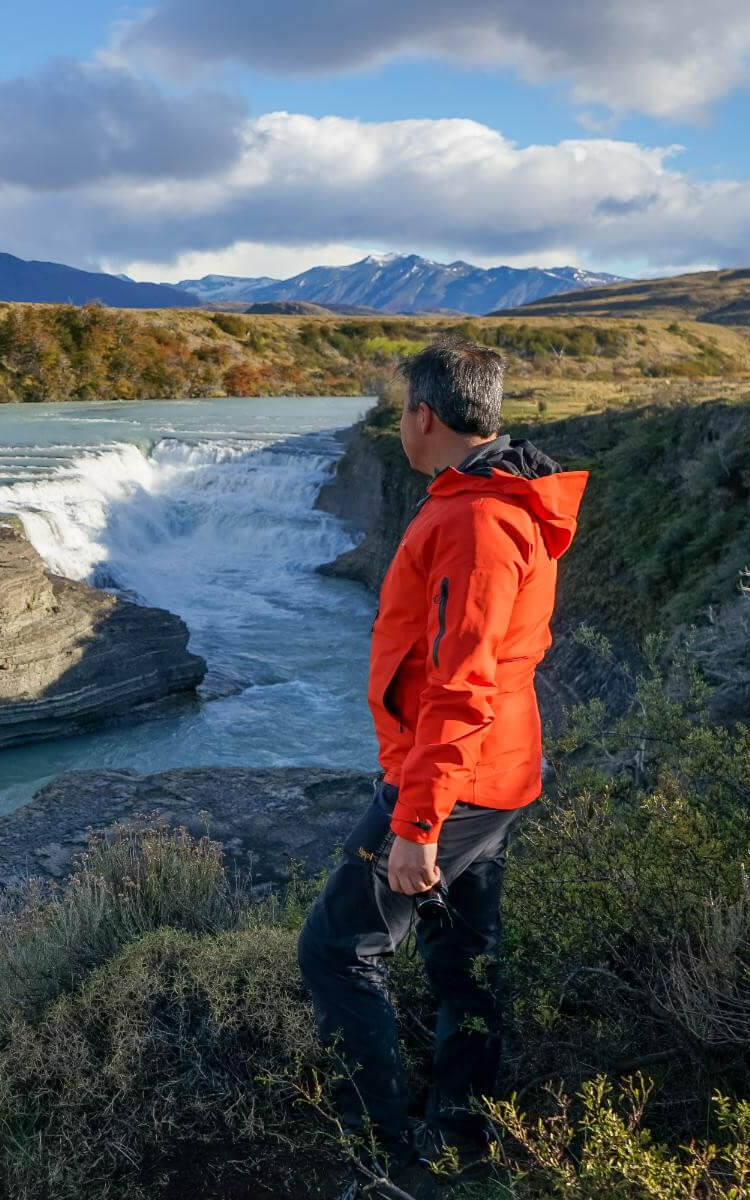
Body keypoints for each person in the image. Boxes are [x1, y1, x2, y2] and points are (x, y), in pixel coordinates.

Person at [299, 335, 588, 1195]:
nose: (398, 426)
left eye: (400, 411)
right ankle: (464, 1139)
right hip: (491, 769)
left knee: (338, 952)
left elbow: (461, 686)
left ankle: (385, 1162)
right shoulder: (493, 495)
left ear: (424, 414)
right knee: (465, 958)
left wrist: (416, 823)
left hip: (456, 779)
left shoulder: (474, 520)